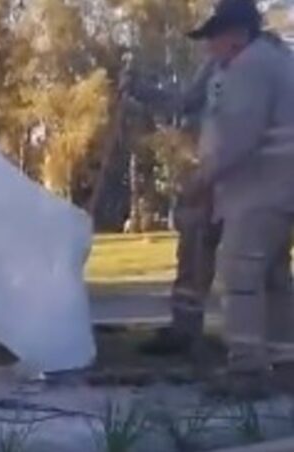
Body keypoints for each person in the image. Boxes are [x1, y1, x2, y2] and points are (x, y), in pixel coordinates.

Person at [182, 0, 294, 393]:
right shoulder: (278, 59)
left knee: (240, 271)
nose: (209, 47)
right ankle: (285, 364)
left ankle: (245, 370)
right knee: (275, 277)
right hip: (281, 188)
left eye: (214, 37)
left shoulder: (250, 67)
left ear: (237, 34)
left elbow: (239, 138)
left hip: (260, 187)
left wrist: (204, 179)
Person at [138, 61, 224, 356]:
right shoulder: (213, 67)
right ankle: (185, 331)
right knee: (194, 247)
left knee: (255, 262)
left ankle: (264, 343)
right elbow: (185, 101)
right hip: (212, 169)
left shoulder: (265, 63)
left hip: (248, 174)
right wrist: (143, 91)